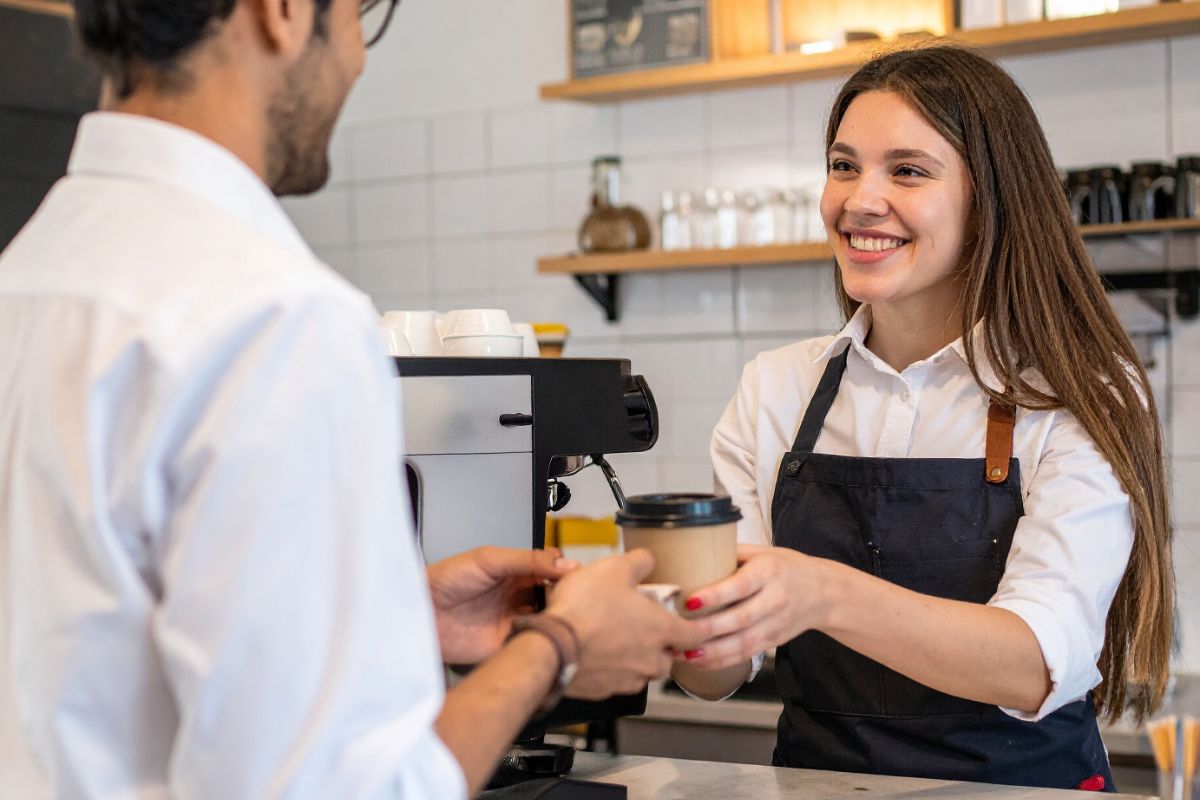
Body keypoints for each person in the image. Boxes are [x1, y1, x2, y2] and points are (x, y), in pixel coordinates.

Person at [0, 0, 705, 796]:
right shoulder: (277, 313)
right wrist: (560, 645)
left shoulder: (28, 273)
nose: (360, 61)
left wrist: (393, 615)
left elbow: (100, 627)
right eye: (357, 20)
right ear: (285, 12)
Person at [683, 45, 1173, 792]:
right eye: (844, 166)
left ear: (991, 201)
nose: (858, 200)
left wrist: (818, 591)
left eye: (906, 170)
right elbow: (717, 678)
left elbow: (1033, 662)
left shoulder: (1081, 391)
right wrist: (682, 619)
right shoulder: (775, 389)